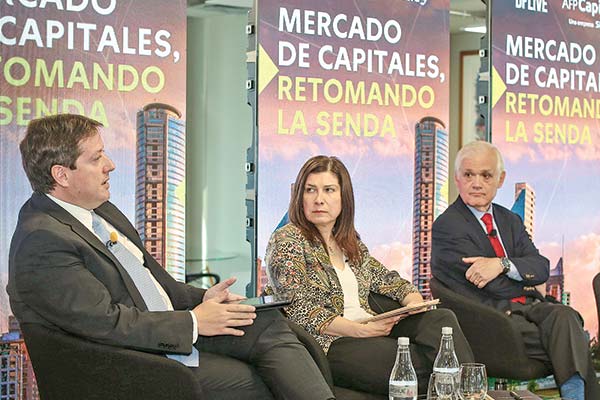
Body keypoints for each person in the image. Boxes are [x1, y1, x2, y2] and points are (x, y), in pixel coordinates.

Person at [7, 114, 335, 400]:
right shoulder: (43, 240)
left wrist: (203, 298)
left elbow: (155, 283)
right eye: (96, 158)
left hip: (166, 332)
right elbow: (106, 323)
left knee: (268, 325)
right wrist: (194, 321)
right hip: (129, 362)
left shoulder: (101, 211)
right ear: (62, 175)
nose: (110, 164)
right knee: (259, 382)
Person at [265, 155, 474, 396]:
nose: (319, 199)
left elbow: (387, 279)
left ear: (343, 198)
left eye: (329, 190)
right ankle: (465, 389)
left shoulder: (349, 242)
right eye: (310, 190)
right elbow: (297, 307)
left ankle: (466, 389)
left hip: (370, 327)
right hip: (330, 342)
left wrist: (412, 300)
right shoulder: (287, 240)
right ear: (300, 196)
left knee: (441, 319)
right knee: (419, 366)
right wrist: (358, 330)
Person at [431, 140, 600, 400]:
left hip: (530, 308)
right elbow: (491, 285)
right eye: (468, 175)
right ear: (457, 178)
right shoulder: (448, 225)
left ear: (500, 179)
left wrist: (501, 264)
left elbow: (541, 267)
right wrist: (523, 278)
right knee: (569, 338)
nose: (477, 183)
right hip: (490, 316)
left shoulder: (510, 220)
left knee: (565, 316)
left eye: (486, 175)